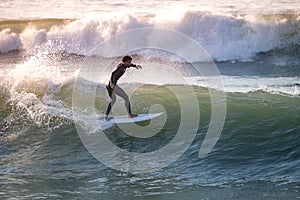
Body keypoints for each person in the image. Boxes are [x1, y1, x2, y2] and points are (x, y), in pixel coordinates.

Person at [104, 55, 142, 120]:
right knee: (126, 98)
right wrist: (112, 83)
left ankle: (106, 116)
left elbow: (130, 65)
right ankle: (130, 115)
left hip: (109, 85)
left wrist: (135, 66)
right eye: (129, 62)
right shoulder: (121, 68)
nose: (130, 63)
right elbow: (112, 74)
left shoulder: (123, 65)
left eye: (130, 62)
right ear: (125, 62)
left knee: (113, 100)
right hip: (112, 85)